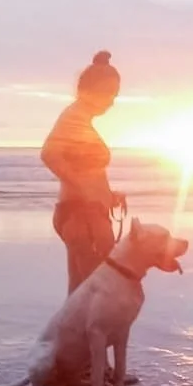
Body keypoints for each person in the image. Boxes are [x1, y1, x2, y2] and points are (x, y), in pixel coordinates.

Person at [41, 50, 127, 294]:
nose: (112, 101)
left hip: (86, 212)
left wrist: (108, 195)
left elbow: (89, 170)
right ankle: (73, 333)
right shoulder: (73, 117)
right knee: (90, 292)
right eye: (109, 93)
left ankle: (67, 333)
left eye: (115, 94)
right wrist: (86, 190)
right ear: (90, 90)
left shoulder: (81, 120)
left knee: (82, 290)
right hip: (80, 214)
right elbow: (49, 154)